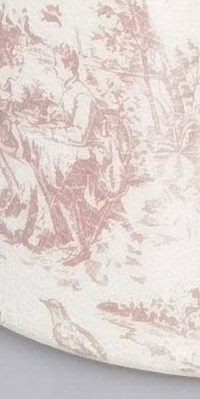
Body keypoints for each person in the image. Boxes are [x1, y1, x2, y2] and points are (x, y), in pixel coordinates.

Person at [38, 45, 128, 264]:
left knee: (61, 188)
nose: (55, 68)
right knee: (43, 164)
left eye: (57, 64)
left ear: (68, 66)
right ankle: (55, 229)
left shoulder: (82, 94)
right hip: (77, 150)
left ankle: (80, 246)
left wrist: (53, 132)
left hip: (94, 155)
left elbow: (79, 135)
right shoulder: (70, 90)